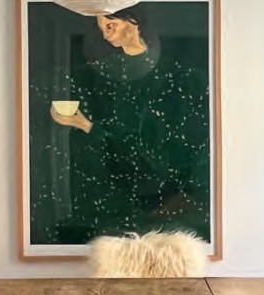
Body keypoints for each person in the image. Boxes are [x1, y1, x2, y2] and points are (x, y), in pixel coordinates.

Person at [38, 4, 211, 245]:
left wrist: (86, 125)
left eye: (111, 25)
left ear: (133, 22)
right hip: (116, 198)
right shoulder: (104, 73)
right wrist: (84, 125)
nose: (106, 35)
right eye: (102, 29)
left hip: (166, 203)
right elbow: (117, 145)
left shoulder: (179, 76)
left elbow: (154, 149)